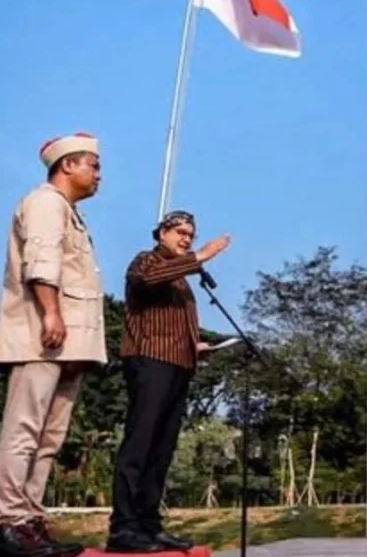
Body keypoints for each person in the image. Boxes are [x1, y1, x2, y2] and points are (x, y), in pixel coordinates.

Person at [0, 133, 105, 557]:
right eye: (93, 165)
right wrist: (51, 313)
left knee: (49, 438)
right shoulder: (44, 202)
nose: (98, 174)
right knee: (23, 431)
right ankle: (8, 524)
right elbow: (41, 261)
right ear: (67, 165)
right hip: (42, 336)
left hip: (67, 342)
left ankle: (30, 521)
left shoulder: (69, 212)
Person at [106, 211, 231, 552]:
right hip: (150, 362)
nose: (186, 239)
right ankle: (124, 528)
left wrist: (197, 346)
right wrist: (200, 256)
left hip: (180, 364)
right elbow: (145, 280)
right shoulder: (147, 261)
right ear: (161, 233)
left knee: (162, 449)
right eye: (179, 232)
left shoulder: (183, 281)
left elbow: (174, 323)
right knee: (140, 443)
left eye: (191, 234)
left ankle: (149, 524)